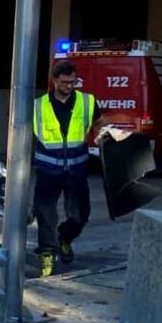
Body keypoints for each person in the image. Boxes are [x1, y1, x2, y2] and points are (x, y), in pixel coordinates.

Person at [32, 59, 104, 274]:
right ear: (55, 81)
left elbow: (100, 124)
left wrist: (102, 134)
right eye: (65, 82)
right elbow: (22, 134)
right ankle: (47, 254)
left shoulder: (87, 102)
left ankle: (64, 237)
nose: (70, 86)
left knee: (80, 216)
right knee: (45, 215)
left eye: (73, 82)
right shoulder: (38, 106)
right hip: (47, 171)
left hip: (77, 170)